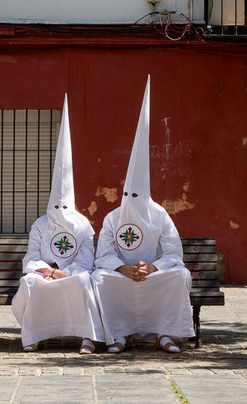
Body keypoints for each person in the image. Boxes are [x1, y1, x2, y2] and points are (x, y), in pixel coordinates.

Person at [92, 76, 195, 353]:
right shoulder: (113, 218)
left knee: (180, 276)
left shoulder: (160, 214)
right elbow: (103, 255)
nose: (131, 202)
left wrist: (152, 268)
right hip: (122, 275)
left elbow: (174, 254)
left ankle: (165, 334)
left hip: (152, 274)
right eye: (128, 196)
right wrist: (124, 269)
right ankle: (119, 335)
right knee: (99, 278)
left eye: (137, 196)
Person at [12, 95, 104, 354]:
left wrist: (67, 272)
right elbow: (30, 257)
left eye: (65, 207)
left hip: (73, 274)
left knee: (85, 281)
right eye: (56, 207)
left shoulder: (83, 225)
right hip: (45, 275)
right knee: (29, 283)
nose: (60, 213)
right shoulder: (40, 225)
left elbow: (86, 260)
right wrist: (50, 272)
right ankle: (35, 335)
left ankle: (87, 336)